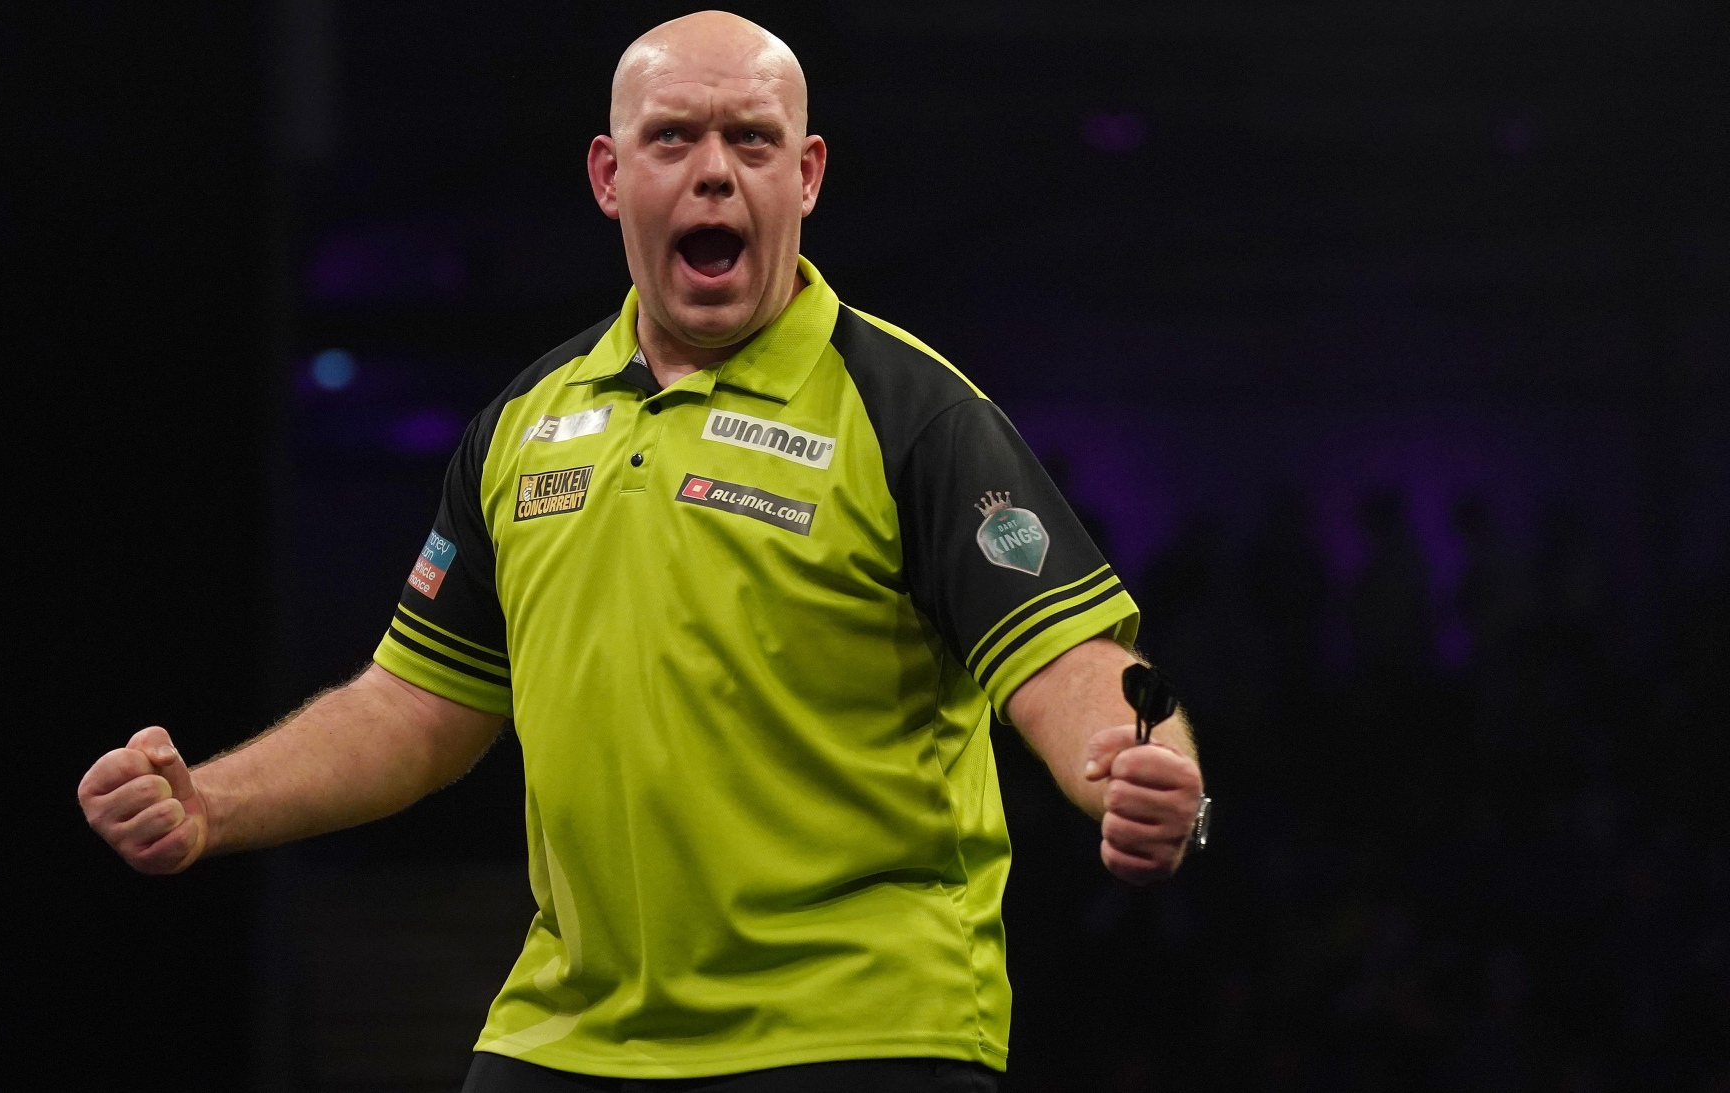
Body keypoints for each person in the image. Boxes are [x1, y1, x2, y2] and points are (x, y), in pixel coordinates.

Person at [77, 12, 1205, 1092]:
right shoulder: (521, 425)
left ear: (806, 176)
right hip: (572, 1031)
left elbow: (1065, 659)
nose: (713, 172)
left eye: (751, 139)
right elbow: (413, 706)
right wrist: (210, 803)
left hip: (855, 1023)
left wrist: (1133, 767)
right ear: (609, 176)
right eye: (672, 138)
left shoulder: (914, 413)